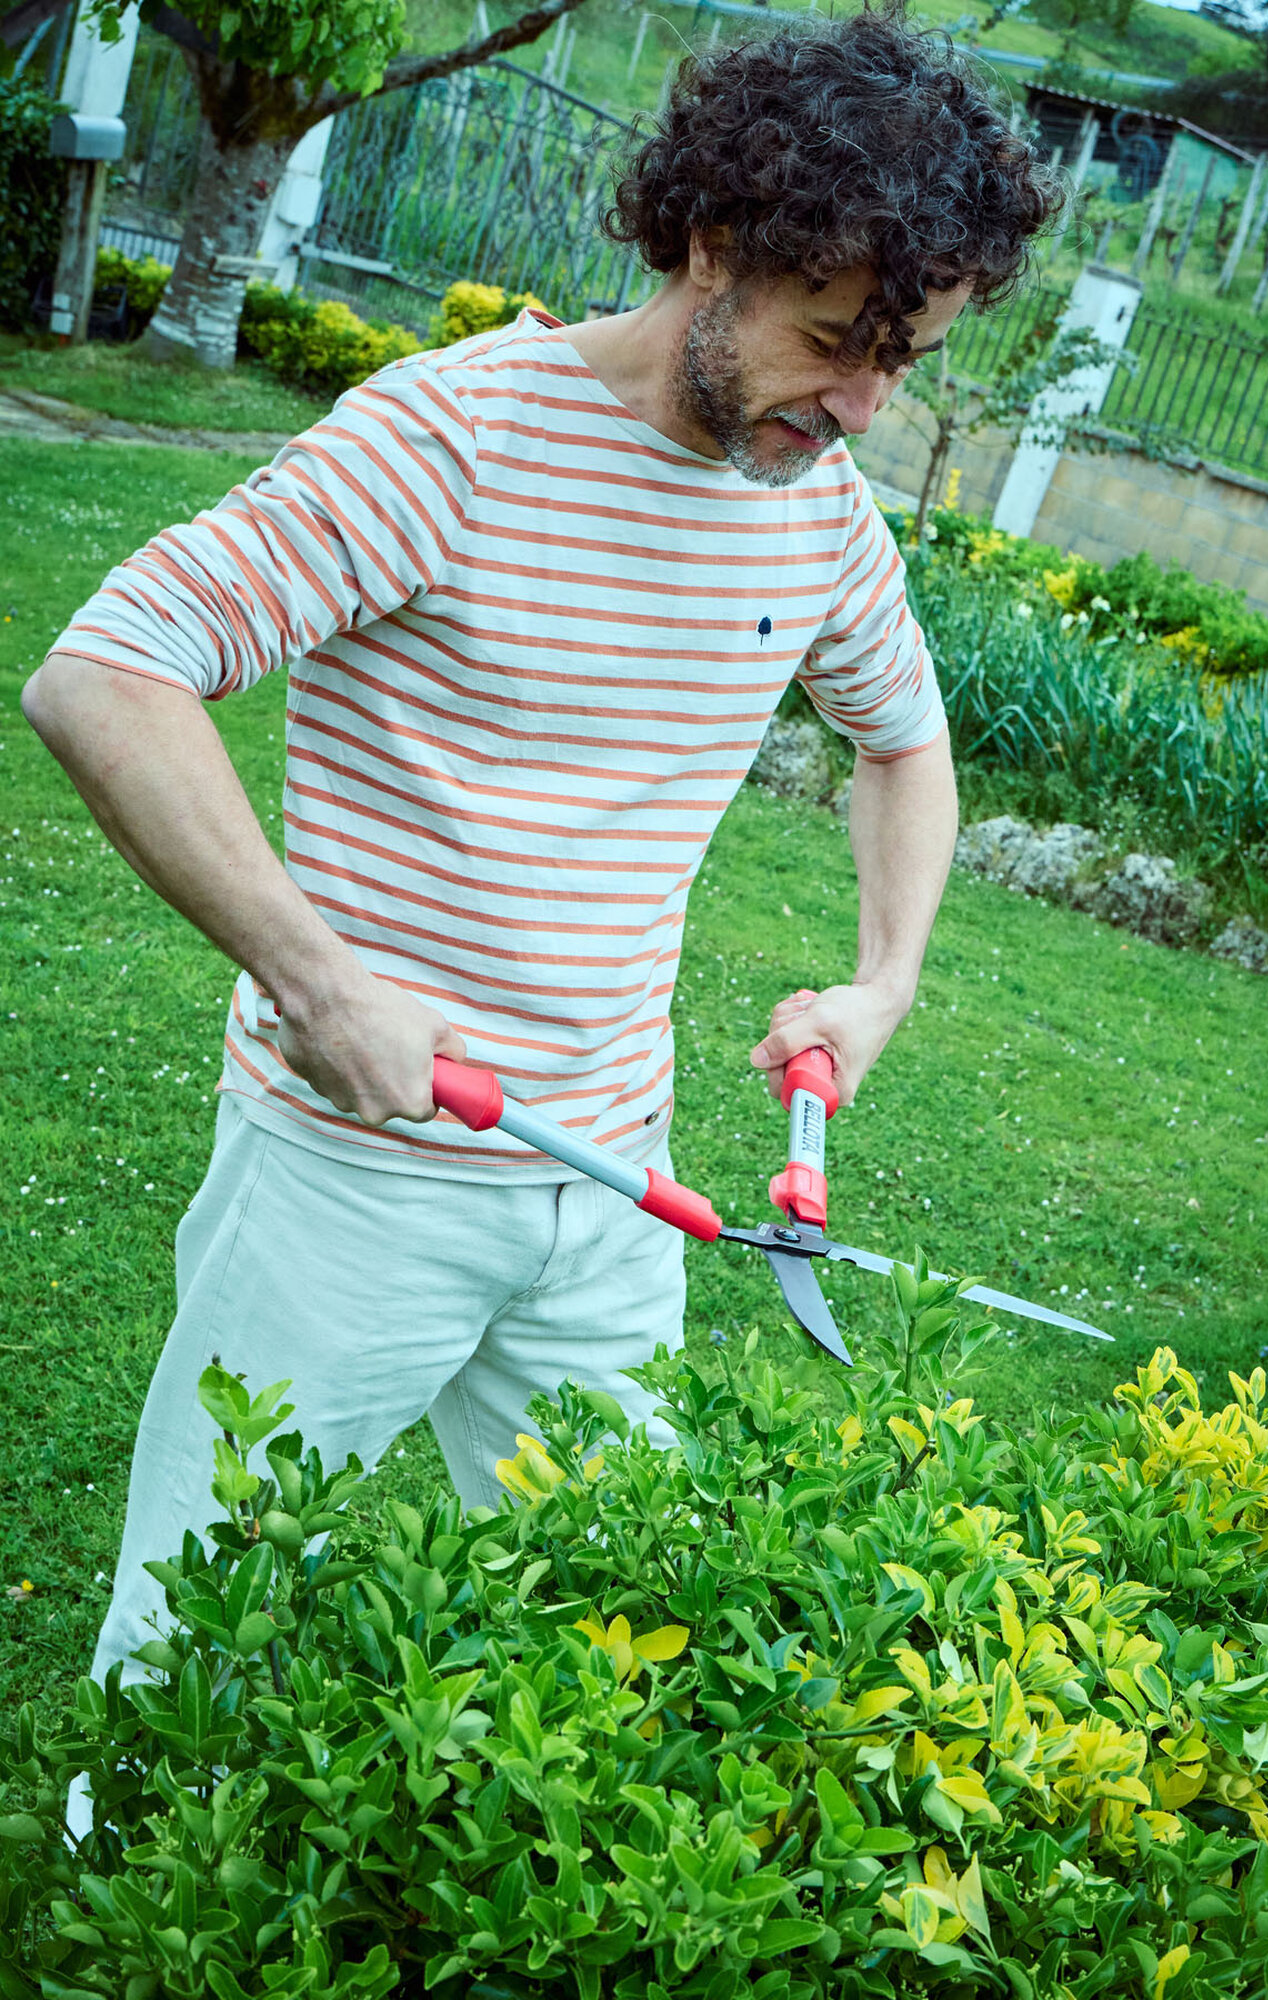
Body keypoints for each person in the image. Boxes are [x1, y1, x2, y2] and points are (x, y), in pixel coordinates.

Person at [23, 2, 1057, 1790]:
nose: (864, 407)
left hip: (613, 1191)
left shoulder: (810, 505)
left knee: (617, 1624)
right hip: (355, 1185)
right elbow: (106, 673)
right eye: (832, 344)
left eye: (904, 365)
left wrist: (882, 983)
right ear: (714, 248)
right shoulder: (448, 439)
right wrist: (315, 977)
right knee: (200, 1658)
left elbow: (904, 744)